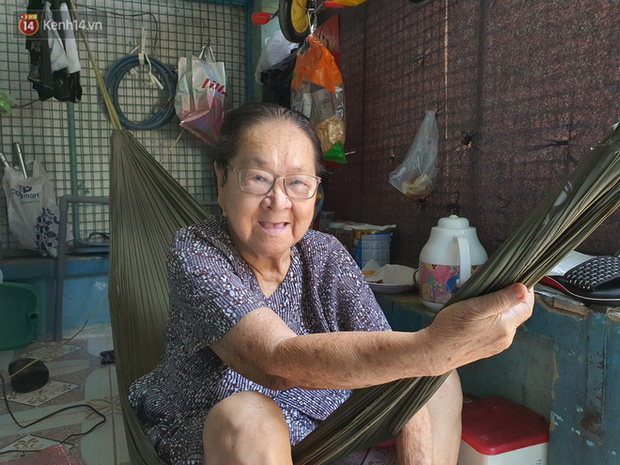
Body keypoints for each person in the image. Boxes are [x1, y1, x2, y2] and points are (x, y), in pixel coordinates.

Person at [128, 102, 534, 465]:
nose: (278, 201)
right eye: (257, 178)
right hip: (220, 433)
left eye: (298, 183)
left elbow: (397, 370)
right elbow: (275, 362)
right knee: (249, 416)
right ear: (221, 180)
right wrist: (430, 348)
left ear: (315, 193)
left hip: (324, 430)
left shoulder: (324, 253)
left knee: (439, 383)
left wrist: (430, 365)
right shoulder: (197, 250)